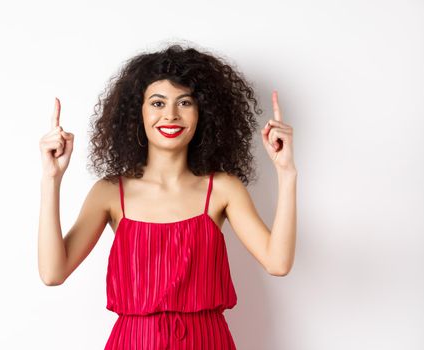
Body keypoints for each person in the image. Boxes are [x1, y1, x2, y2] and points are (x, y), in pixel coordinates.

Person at [38, 43, 297, 349]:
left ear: (203, 112)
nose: (171, 115)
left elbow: (278, 263)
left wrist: (286, 173)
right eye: (158, 103)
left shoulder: (223, 189)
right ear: (139, 112)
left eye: (184, 103)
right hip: (134, 343)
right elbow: (52, 273)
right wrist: (51, 178)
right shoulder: (109, 193)